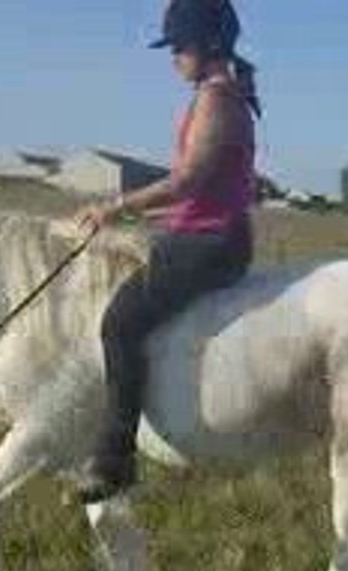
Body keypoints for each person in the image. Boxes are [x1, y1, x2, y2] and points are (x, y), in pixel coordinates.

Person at [73, 0, 261, 504]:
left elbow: (187, 180)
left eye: (179, 46)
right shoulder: (216, 95)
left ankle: (115, 458)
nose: (174, 57)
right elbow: (196, 193)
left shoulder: (217, 99)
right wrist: (143, 222)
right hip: (201, 232)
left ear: (209, 44)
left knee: (120, 323)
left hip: (212, 242)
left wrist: (116, 207)